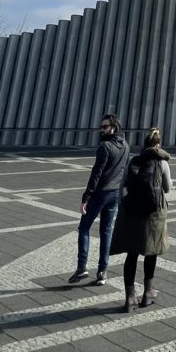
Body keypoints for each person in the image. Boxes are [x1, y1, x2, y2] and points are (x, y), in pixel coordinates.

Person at [109, 126, 172, 313]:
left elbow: (123, 185)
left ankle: (129, 298)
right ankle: (148, 292)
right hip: (153, 214)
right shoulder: (162, 163)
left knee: (132, 254)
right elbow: (167, 188)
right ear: (158, 145)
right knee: (151, 252)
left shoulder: (134, 161)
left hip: (133, 213)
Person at [68, 114, 129, 286]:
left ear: (113, 127)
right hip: (114, 194)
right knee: (106, 232)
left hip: (101, 194)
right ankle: (103, 271)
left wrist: (86, 197)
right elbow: (125, 171)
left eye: (105, 127)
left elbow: (96, 174)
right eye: (101, 127)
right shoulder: (125, 145)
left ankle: (82, 267)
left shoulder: (105, 147)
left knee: (84, 228)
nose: (101, 130)